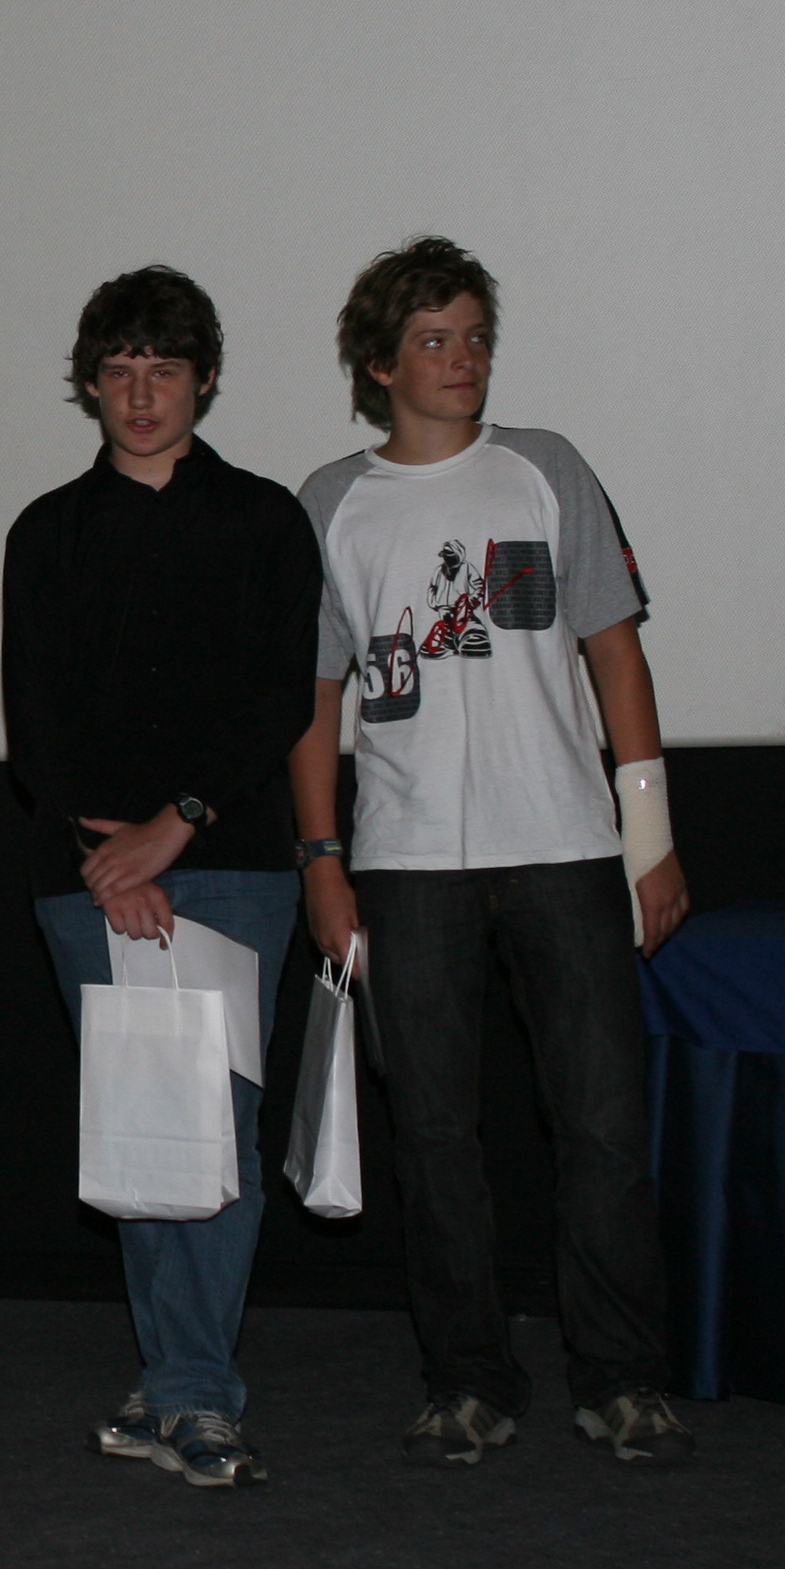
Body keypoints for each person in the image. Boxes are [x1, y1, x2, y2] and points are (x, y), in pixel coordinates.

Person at [291, 238, 696, 1467]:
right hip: (405, 860)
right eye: (433, 339)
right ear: (379, 363)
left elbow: (615, 651)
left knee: (604, 1127)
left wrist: (649, 837)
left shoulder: (547, 467)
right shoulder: (329, 502)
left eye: (475, 337)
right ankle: (467, 1378)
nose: (462, 359)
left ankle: (623, 1375)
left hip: (565, 846)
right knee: (433, 1136)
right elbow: (313, 700)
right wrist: (320, 858)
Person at [0, 270, 323, 1491]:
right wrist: (111, 862)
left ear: (205, 380)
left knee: (218, 1131)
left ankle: (187, 1384)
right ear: (91, 383)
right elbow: (37, 721)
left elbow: (279, 699)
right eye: (121, 371)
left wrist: (174, 824)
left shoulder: (264, 519)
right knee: (140, 1126)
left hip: (232, 863)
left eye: (166, 371)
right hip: (86, 873)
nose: (142, 395)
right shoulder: (47, 530)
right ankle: (186, 1379)